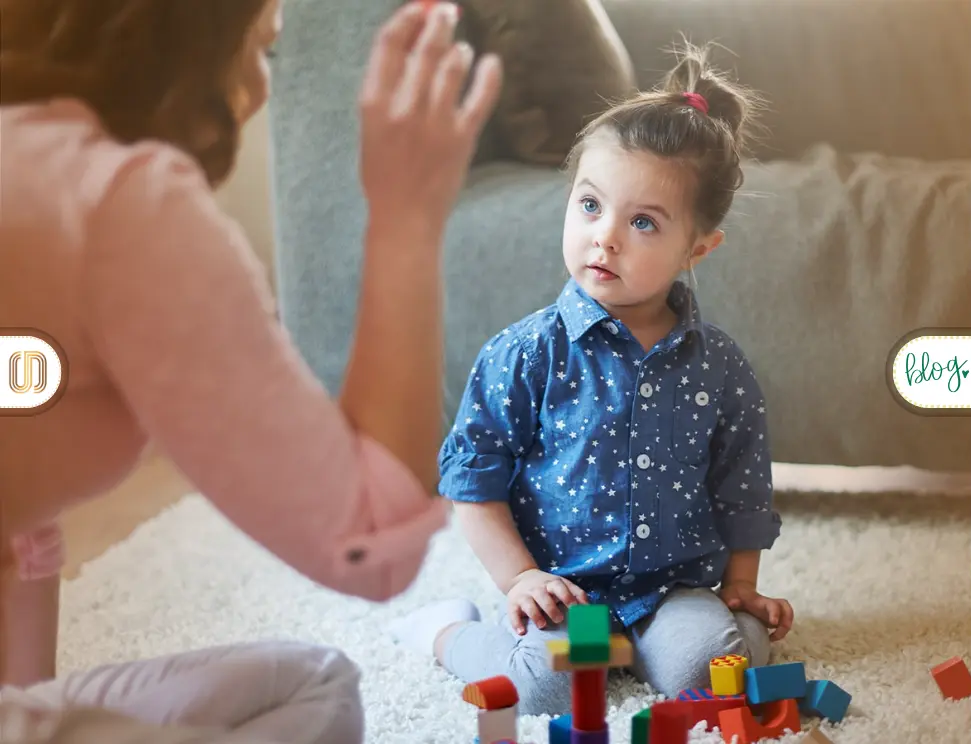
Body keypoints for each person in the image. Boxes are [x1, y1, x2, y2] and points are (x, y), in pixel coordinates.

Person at [0, 0, 501, 741]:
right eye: (260, 49)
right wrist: (406, 218)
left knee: (310, 684)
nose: (260, 90)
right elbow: (366, 546)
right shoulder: (118, 202)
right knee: (316, 701)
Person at [388, 42, 795, 716]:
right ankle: (445, 630)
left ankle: (672, 639)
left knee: (709, 672)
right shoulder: (523, 354)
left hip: (673, 588)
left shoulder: (719, 367)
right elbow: (472, 482)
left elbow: (741, 486)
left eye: (642, 222)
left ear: (697, 248)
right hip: (564, 588)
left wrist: (742, 582)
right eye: (588, 206)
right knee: (541, 689)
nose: (604, 237)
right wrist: (520, 579)